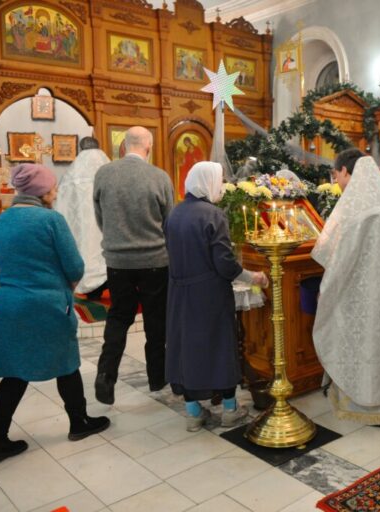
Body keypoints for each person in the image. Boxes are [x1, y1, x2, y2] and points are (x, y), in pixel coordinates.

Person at [0, 163, 109, 463]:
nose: (55, 191)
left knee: (15, 371)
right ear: (41, 191)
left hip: (10, 304)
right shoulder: (51, 220)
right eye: (52, 187)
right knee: (66, 363)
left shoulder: (3, 219)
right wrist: (66, 285)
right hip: (46, 303)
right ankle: (79, 422)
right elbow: (75, 266)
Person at [165, 161, 268, 431]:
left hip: (179, 293)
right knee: (220, 347)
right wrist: (253, 277)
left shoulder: (175, 213)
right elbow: (224, 263)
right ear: (208, 182)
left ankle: (193, 413)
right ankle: (230, 410)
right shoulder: (213, 215)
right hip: (209, 293)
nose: (221, 186)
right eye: (219, 181)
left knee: (186, 348)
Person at [312, 150, 380, 426]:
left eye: (337, 175)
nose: (337, 181)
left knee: (361, 341)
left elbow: (329, 251)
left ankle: (362, 401)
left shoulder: (352, 206)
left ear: (345, 171)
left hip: (359, 291)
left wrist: (326, 288)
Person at [93, 126, 174, 404]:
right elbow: (169, 221)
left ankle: (106, 375)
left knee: (118, 317)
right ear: (148, 147)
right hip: (155, 260)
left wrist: (117, 240)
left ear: (124, 146)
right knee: (156, 319)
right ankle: (157, 377)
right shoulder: (159, 176)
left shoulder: (104, 174)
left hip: (118, 261)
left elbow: (100, 217)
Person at [54, 136, 110, 299]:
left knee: (87, 250)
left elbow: (61, 203)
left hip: (83, 226)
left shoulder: (72, 173)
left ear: (80, 147)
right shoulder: (108, 167)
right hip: (106, 223)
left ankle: (91, 289)